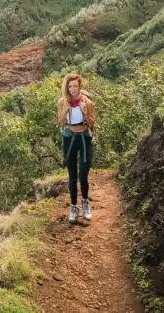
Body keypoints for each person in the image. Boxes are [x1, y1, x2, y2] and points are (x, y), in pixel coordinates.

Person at [57, 73, 95, 224]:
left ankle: (85, 203)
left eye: (75, 86)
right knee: (72, 176)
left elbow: (92, 123)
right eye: (70, 86)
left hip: (84, 137)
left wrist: (85, 112)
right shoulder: (62, 102)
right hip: (69, 137)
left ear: (80, 87)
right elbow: (60, 123)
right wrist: (65, 110)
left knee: (83, 175)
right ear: (67, 87)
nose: (73, 89)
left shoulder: (88, 102)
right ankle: (73, 207)